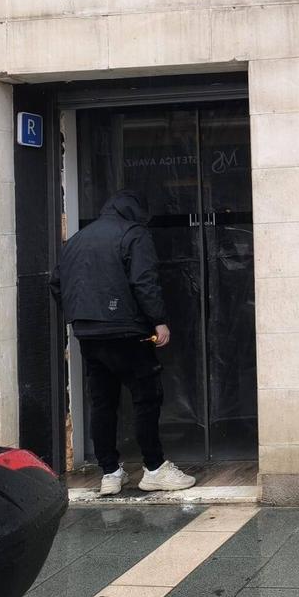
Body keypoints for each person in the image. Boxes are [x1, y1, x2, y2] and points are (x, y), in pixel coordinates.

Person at [50, 190, 196, 496]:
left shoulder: (77, 239)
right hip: (128, 331)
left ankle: (110, 473)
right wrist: (158, 320)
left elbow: (56, 282)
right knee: (146, 398)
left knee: (102, 403)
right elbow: (144, 280)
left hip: (88, 333)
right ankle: (154, 468)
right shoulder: (134, 234)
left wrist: (80, 314)